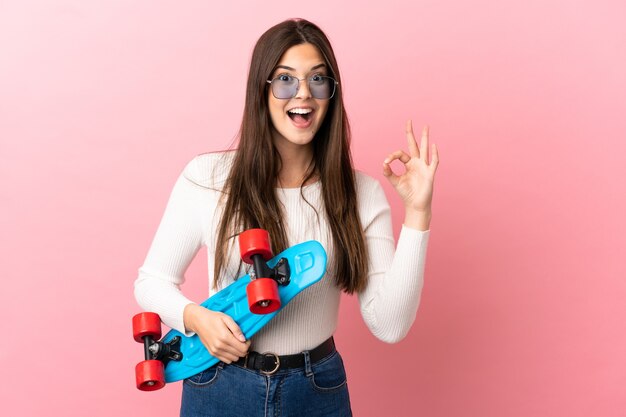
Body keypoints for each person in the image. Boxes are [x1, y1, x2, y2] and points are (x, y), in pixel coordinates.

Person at [134, 18, 439, 417]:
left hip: (316, 389)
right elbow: (151, 282)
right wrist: (197, 319)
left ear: (332, 93)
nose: (303, 94)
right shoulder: (207, 179)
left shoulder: (360, 193)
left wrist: (417, 214)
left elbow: (389, 325)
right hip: (221, 383)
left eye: (318, 80)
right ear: (261, 90)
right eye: (284, 80)